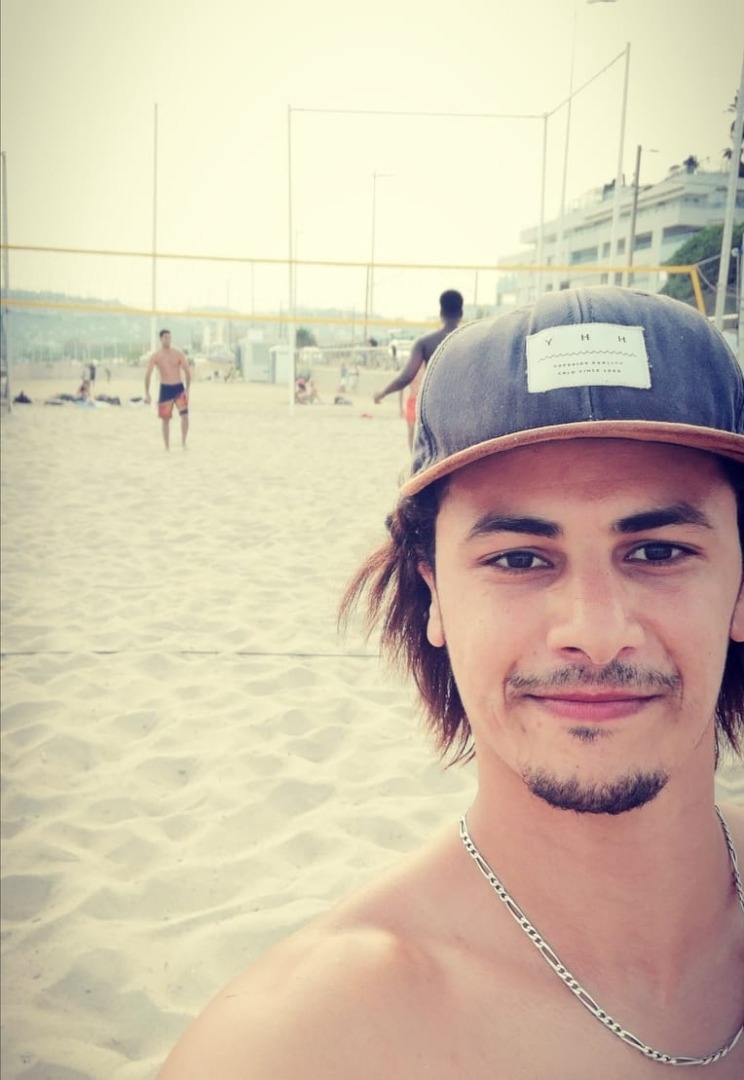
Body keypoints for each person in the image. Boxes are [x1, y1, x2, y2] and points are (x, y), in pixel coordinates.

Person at [157, 287, 744, 1078]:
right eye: (519, 559)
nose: (596, 630)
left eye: (658, 551)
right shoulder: (298, 1048)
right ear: (433, 592)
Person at [374, 289, 464, 448]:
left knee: (431, 452)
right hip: (462, 407)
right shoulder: (470, 340)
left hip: (434, 408)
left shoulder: (425, 343)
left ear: (441, 313)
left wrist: (383, 393)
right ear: (461, 313)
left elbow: (406, 377)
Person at [144, 329, 191, 449]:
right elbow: (148, 374)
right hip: (165, 388)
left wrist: (187, 389)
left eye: (169, 337)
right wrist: (147, 392)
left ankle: (183, 442)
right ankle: (167, 446)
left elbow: (187, 371)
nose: (168, 340)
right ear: (161, 339)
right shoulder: (156, 356)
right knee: (165, 419)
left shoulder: (177, 353)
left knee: (185, 416)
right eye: (165, 337)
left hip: (178, 388)